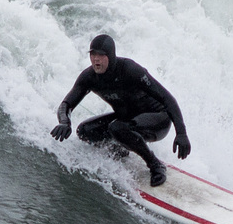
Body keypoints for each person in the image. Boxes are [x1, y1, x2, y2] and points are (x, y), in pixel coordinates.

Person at [50, 34, 191, 187]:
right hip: (128, 120)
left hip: (158, 119)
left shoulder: (129, 70)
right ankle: (121, 148)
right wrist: (65, 122)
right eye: (93, 54)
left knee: (117, 127)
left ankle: (155, 164)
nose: (96, 59)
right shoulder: (89, 77)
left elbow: (167, 98)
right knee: (85, 131)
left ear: (110, 56)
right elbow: (66, 104)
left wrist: (181, 133)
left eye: (101, 55)